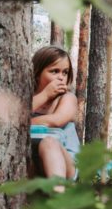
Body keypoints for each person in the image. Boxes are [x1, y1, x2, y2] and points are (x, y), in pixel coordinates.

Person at [30, 46, 80, 179]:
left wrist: (20, 123)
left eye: (65, 72)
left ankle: (60, 196)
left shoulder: (68, 98)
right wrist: (44, 95)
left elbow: (55, 121)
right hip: (32, 158)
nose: (61, 77)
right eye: (54, 71)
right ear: (37, 72)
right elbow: (15, 115)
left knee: (49, 142)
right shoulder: (28, 98)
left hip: (65, 163)